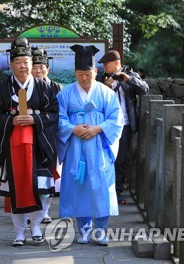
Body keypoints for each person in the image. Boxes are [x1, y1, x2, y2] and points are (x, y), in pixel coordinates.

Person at [0, 38, 59, 247]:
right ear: (11, 64)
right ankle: (19, 232)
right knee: (14, 189)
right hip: (12, 147)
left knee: (41, 188)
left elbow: (53, 113)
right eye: (18, 61)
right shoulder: (1, 89)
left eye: (26, 61)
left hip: (38, 146)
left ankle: (36, 226)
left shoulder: (44, 88)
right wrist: (11, 120)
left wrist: (35, 119)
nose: (23, 65)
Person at [56, 45, 124, 246]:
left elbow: (116, 119)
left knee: (101, 186)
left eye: (87, 73)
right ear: (75, 73)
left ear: (95, 71)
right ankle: (84, 229)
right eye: (80, 74)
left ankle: (101, 231)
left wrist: (98, 128)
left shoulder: (107, 93)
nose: (84, 77)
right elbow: (58, 119)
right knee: (79, 186)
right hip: (75, 145)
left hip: (99, 146)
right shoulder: (65, 94)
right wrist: (73, 128)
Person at [97, 50, 149, 204]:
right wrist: (107, 87)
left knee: (122, 158)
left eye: (106, 63)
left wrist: (128, 80)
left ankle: (117, 191)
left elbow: (144, 89)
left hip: (125, 124)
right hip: (107, 124)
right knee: (106, 157)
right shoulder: (102, 79)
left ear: (116, 62)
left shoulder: (130, 74)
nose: (104, 66)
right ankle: (104, 190)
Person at [31, 47, 63, 223]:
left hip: (51, 138)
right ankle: (30, 211)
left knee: (50, 178)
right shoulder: (26, 87)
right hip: (31, 137)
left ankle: (44, 211)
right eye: (34, 67)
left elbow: (61, 113)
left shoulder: (56, 88)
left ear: (48, 69)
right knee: (31, 175)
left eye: (41, 67)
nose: (38, 70)